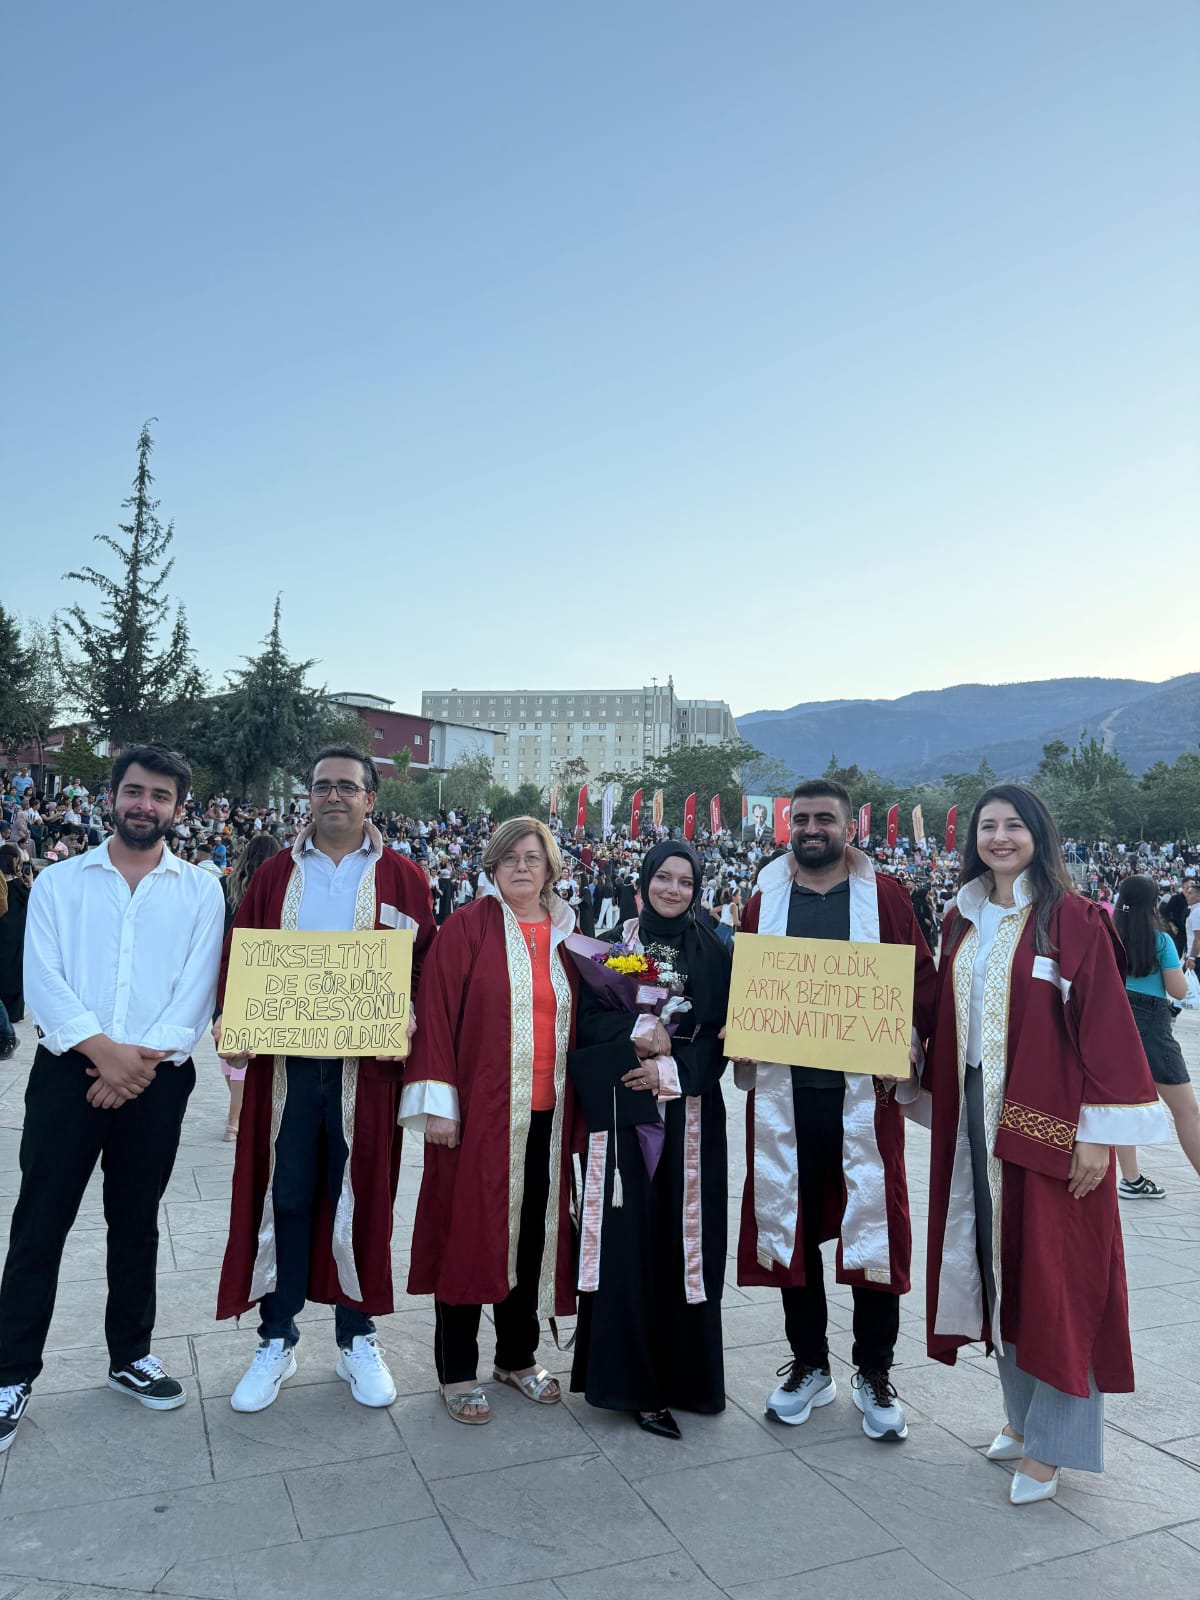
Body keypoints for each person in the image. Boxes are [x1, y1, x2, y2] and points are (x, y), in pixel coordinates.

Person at [922, 786, 1170, 1505]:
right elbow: (944, 1010)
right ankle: (1021, 1418)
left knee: (1060, 1278)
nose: (999, 838)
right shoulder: (962, 917)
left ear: (1039, 834)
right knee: (1000, 1265)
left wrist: (1098, 1133)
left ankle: (1055, 1445)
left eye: (1013, 826)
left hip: (1053, 1123)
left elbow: (1106, 1024)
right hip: (977, 1116)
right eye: (987, 827)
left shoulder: (1073, 918)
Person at [0, 745, 225, 1453]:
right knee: (39, 1225)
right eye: (134, 791)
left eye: (160, 796)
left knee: (136, 1223)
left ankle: (130, 1355)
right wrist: (105, 1055)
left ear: (179, 809)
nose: (144, 805)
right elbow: (43, 980)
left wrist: (135, 1066)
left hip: (157, 1080)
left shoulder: (201, 891)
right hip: (67, 1074)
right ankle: (10, 1373)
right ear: (112, 797)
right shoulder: (61, 883)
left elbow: (196, 991)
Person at [215, 746, 436, 1413]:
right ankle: (276, 1337)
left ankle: (356, 1335)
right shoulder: (275, 874)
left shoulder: (404, 877)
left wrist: (409, 1010)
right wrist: (232, 1017)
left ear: (371, 798)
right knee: (283, 1195)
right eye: (321, 786)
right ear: (307, 796)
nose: (332, 796)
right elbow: (240, 954)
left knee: (359, 1195)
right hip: (285, 1071)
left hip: (364, 1075)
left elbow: (424, 963)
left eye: (346, 786)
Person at [733, 779, 936, 1444]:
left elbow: (921, 984)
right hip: (785, 1099)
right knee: (790, 1230)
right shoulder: (765, 898)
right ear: (789, 826)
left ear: (850, 828)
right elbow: (746, 986)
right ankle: (810, 1364)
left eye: (825, 818)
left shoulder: (885, 897)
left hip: (864, 1103)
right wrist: (741, 1033)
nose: (812, 828)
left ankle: (874, 1370)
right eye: (802, 819)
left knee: (875, 1229)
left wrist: (910, 1039)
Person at [402, 817, 578, 1425]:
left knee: (530, 1239)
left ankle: (516, 1357)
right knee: (468, 1236)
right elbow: (435, 1010)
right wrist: (439, 1104)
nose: (521, 868)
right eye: (510, 859)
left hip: (548, 1118)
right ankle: (456, 1370)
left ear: (550, 867)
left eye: (532, 858)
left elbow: (598, 1009)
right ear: (493, 866)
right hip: (479, 1117)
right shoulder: (467, 927)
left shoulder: (570, 935)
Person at [569, 841, 731, 1438]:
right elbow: (587, 1020)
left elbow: (720, 1035)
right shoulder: (613, 947)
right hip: (625, 1107)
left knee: (683, 1239)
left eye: (685, 881)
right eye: (663, 877)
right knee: (629, 1241)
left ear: (697, 889)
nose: (673, 890)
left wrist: (672, 1066)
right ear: (642, 882)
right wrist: (639, 1030)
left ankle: (687, 1378)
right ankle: (631, 1383)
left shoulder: (714, 950)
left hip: (689, 1112)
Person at [1112, 875, 1200, 1199]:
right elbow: (1178, 990)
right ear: (1152, 905)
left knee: (1121, 1104)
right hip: (1152, 1025)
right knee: (1187, 1110)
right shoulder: (1159, 941)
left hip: (1115, 1022)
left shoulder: (1108, 936)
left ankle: (1131, 1179)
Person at [213, 833, 281, 1140]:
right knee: (251, 1048)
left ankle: (236, 1113)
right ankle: (238, 1115)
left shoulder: (224, 886)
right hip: (264, 975)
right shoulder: (279, 886)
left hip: (228, 971)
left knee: (229, 1045)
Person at [0, 846, 30, 1060]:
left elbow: (4, 906)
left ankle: (7, 1032)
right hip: (12, 934)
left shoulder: (14, 883)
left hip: (11, 934)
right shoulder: (16, 883)